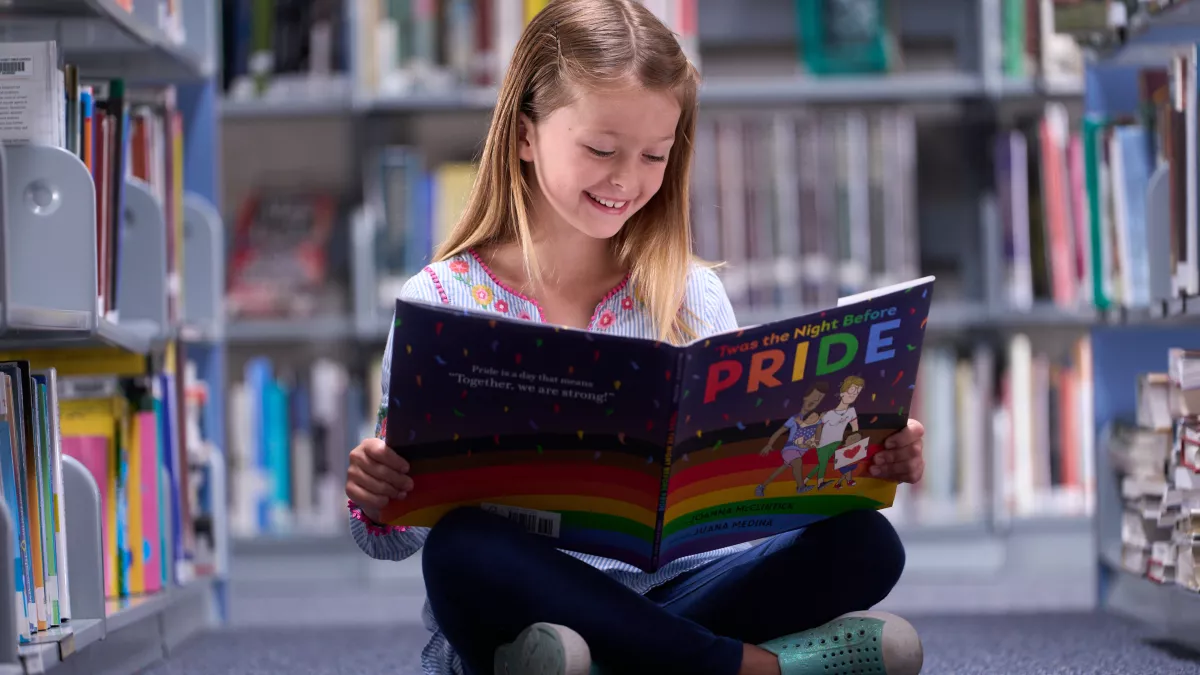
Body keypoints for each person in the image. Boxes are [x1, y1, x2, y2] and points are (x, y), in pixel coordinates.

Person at [343, 2, 927, 674]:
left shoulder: (690, 294)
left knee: (867, 542)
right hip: (529, 592)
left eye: (655, 155)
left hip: (687, 588)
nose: (627, 179)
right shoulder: (440, 303)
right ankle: (756, 668)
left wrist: (858, 460)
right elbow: (390, 541)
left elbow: (753, 504)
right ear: (525, 134)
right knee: (462, 548)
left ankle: (595, 663)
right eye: (600, 149)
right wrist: (380, 496)